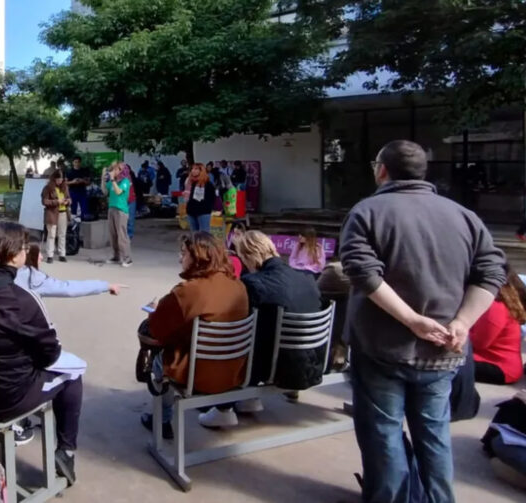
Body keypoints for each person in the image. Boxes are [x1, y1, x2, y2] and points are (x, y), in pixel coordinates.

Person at [340, 140, 506, 502]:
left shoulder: (368, 211)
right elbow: (492, 273)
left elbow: (361, 272)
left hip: (381, 349)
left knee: (383, 437)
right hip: (443, 350)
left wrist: (413, 320)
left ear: (382, 170)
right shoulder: (464, 216)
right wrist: (462, 322)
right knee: (434, 437)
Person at [0, 221, 83, 484]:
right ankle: (66, 451)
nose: (27, 252)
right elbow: (50, 354)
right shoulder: (22, 299)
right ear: (12, 255)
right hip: (5, 398)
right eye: (24, 247)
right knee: (72, 377)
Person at [198, 230, 322, 428]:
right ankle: (249, 399)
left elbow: (234, 328)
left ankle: (224, 409)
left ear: (248, 256)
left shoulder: (254, 283)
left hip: (275, 369)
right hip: (311, 364)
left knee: (232, 337)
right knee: (264, 329)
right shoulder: (306, 279)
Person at [138, 232, 250, 437]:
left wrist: (155, 310)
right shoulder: (238, 286)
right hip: (236, 370)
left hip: (197, 375)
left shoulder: (187, 292)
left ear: (198, 257)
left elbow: (158, 331)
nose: (180, 258)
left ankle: (162, 420)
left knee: (158, 358)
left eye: (184, 253)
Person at [468, 268, 525, 384]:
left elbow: (479, 343)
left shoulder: (496, 307)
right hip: (501, 363)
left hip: (500, 368)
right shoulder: (507, 301)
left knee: (445, 363)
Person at [17, 243, 122, 297]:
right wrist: (105, 285)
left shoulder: (6, 273)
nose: (41, 257)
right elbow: (69, 288)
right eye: (38, 254)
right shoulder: (33, 279)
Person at [102, 162, 132, 267]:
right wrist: (103, 178)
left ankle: (127, 258)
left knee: (121, 235)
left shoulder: (125, 181)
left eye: (116, 169)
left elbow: (119, 192)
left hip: (121, 210)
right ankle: (116, 256)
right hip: (112, 208)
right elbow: (105, 191)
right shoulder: (112, 182)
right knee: (113, 234)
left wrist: (113, 180)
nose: (114, 171)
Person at [41, 169, 71, 263]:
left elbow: (69, 198)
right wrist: (57, 202)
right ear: (54, 179)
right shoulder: (47, 188)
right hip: (52, 214)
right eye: (58, 179)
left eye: (61, 179)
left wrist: (68, 201)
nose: (60, 181)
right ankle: (50, 255)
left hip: (63, 213)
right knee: (51, 235)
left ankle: (62, 254)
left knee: (62, 234)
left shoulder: (64, 187)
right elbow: (44, 201)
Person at [182, 163, 215, 232]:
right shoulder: (189, 182)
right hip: (191, 211)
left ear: (201, 171)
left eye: (196, 169)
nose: (193, 171)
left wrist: (207, 208)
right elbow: (188, 197)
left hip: (203, 211)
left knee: (204, 234)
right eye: (192, 169)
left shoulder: (208, 184)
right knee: (194, 234)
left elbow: (212, 198)